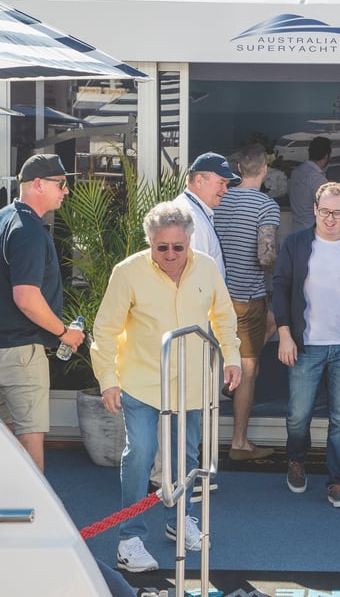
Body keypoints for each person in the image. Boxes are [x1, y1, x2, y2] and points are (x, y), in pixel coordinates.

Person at [91, 202, 242, 573]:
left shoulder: (206, 267)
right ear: (150, 243)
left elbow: (223, 316)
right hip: (142, 381)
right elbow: (106, 330)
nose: (171, 255)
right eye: (162, 248)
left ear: (189, 242)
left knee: (187, 458)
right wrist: (108, 380)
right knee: (141, 453)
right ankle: (129, 538)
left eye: (178, 246)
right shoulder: (127, 272)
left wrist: (233, 356)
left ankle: (180, 519)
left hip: (192, 383)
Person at [0, 153, 85, 472]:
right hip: (19, 351)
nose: (66, 191)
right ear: (38, 184)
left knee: (5, 439)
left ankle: (7, 509)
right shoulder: (29, 230)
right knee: (30, 439)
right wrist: (65, 333)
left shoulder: (3, 217)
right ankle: (37, 517)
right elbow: (26, 298)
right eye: (61, 184)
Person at [273, 182, 340, 509]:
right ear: (315, 210)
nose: (330, 219)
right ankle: (296, 460)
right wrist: (285, 334)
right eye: (324, 212)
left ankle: (337, 482)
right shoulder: (296, 244)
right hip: (307, 345)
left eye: (337, 213)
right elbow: (280, 288)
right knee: (297, 416)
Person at [214, 144, 280, 461]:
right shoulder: (266, 206)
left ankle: (229, 380)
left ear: (239, 169)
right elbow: (265, 256)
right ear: (264, 170)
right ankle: (239, 442)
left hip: (216, 297)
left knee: (271, 323)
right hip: (247, 296)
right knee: (250, 368)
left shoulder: (219, 199)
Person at [173, 152, 241, 277]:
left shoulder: (193, 210)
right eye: (221, 183)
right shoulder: (192, 218)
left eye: (227, 184)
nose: (225, 190)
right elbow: (195, 277)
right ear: (199, 181)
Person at [288, 136, 331, 232]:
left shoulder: (295, 173)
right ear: (326, 156)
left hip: (296, 230)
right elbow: (327, 209)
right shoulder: (318, 179)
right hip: (312, 233)